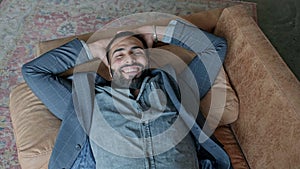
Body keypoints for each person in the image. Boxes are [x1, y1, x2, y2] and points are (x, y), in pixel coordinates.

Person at [22, 19, 231, 169]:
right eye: (119, 55)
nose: (129, 57)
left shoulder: (176, 88)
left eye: (136, 51)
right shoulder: (88, 100)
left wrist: (155, 31)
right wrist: (91, 49)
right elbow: (33, 72)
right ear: (110, 69)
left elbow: (215, 47)